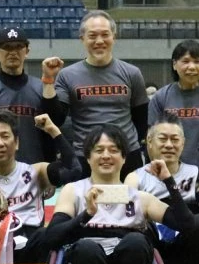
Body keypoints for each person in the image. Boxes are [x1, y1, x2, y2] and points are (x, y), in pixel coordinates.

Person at [45, 124, 195, 264]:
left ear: (124, 158)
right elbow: (52, 236)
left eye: (113, 150)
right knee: (86, 248)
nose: (106, 155)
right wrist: (86, 215)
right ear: (88, 158)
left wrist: (168, 181)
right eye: (99, 150)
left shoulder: (140, 198)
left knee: (136, 241)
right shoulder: (73, 191)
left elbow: (188, 225)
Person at [125, 116, 199, 264]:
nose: (169, 145)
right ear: (149, 141)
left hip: (189, 252)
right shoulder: (134, 178)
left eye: (175, 139)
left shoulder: (196, 174)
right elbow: (127, 219)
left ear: (183, 143)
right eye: (163, 138)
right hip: (153, 249)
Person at [0, 110, 82, 264]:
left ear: (17, 142)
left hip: (30, 246)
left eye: (5, 136)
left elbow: (74, 170)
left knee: (45, 235)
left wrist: (53, 131)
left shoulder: (36, 172)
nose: (0, 143)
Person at [53, 10, 148, 179]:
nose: (99, 41)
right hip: (84, 157)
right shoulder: (66, 75)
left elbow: (141, 119)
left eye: (105, 35)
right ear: (82, 39)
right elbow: (57, 118)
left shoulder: (132, 73)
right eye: (92, 36)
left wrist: (126, 145)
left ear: (114, 37)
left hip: (127, 155)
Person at [0, 27, 65, 164]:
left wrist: (49, 80)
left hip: (36, 168)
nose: (13, 52)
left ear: (27, 51)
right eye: (7, 47)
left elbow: (56, 121)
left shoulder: (42, 87)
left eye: (18, 47)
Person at [149, 40, 199, 181]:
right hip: (169, 175)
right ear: (174, 64)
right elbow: (152, 139)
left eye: (197, 61)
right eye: (185, 61)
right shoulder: (161, 97)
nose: (191, 67)